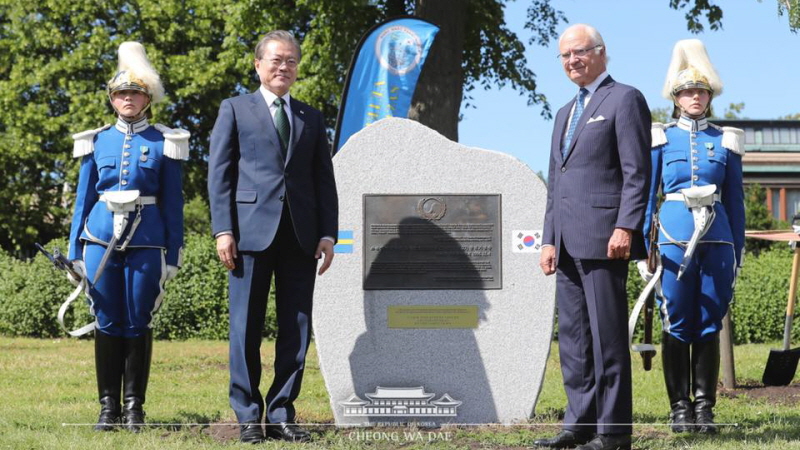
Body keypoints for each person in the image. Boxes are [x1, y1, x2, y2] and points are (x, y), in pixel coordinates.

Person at [208, 30, 338, 444]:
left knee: (296, 328)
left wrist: (328, 234)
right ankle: (248, 415)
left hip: (300, 236)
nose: (284, 67)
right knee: (245, 327)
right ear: (258, 65)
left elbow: (323, 180)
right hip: (248, 235)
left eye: (291, 62)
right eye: (276, 60)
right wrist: (223, 229)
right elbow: (219, 175)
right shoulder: (234, 109)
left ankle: (282, 412)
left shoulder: (310, 117)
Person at [535, 24, 651, 450]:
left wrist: (626, 226)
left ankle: (612, 434)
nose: (572, 61)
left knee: (607, 341)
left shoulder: (624, 99)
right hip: (565, 243)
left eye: (579, 52)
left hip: (606, 239)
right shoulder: (564, 112)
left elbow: (638, 172)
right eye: (564, 55)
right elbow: (555, 182)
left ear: (601, 53)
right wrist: (548, 239)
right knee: (574, 343)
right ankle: (578, 425)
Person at [67, 42, 188, 432]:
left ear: (147, 98)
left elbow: (173, 203)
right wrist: (74, 252)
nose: (127, 99)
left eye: (134, 92)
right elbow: (83, 200)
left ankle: (134, 408)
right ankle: (108, 409)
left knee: (138, 321)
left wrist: (173, 254)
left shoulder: (165, 141)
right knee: (106, 320)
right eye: (120, 93)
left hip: (147, 241)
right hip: (99, 241)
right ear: (112, 100)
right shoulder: (96, 140)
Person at [640, 39, 744, 434]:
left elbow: (735, 201)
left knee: (709, 320)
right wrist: (641, 249)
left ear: (709, 96)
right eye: (687, 92)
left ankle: (705, 408)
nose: (694, 97)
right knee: (677, 320)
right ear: (676, 98)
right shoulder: (661, 138)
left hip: (718, 241)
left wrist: (739, 250)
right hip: (673, 238)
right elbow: (648, 196)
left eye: (700, 91)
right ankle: (679, 408)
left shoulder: (726, 140)